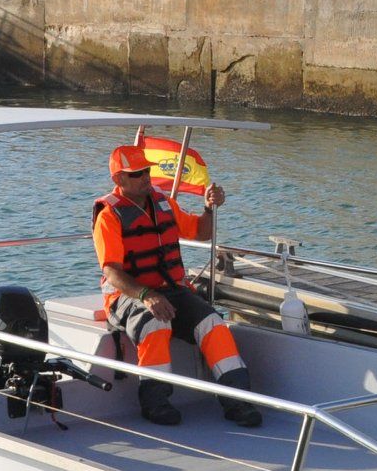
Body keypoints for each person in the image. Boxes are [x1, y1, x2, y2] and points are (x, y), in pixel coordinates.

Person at [93, 145, 262, 428]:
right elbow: (111, 271)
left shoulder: (164, 204)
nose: (146, 177)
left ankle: (238, 402)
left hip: (172, 290)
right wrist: (147, 296)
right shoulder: (109, 215)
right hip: (127, 296)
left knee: (213, 324)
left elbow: (200, 232)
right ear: (119, 180)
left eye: (147, 171)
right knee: (155, 325)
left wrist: (209, 208)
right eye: (137, 174)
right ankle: (155, 404)